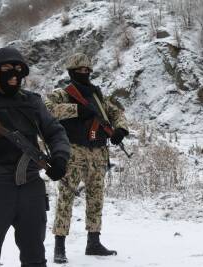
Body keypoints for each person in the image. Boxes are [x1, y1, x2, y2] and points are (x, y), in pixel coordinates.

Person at [0, 47, 70, 267]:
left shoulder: (31, 102)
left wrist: (60, 157)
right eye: (6, 69)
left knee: (35, 257)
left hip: (31, 187)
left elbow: (54, 131)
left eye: (19, 69)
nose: (14, 74)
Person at [45, 53, 129, 263]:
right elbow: (47, 110)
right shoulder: (63, 93)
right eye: (79, 70)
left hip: (98, 151)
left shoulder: (98, 96)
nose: (84, 73)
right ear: (71, 72)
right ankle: (59, 246)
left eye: (87, 70)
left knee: (96, 198)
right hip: (73, 151)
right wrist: (76, 109)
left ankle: (93, 241)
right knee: (66, 198)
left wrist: (120, 129)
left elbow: (116, 112)